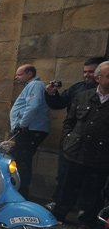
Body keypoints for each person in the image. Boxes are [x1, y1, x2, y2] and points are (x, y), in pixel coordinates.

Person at [52, 61, 109, 229]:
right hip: (75, 152)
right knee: (67, 186)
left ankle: (87, 222)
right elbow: (69, 121)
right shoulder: (82, 96)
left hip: (100, 156)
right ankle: (59, 213)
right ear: (98, 78)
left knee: (93, 191)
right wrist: (67, 141)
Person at [43, 57, 105, 209]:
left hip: (98, 151)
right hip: (73, 146)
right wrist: (51, 94)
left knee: (91, 185)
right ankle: (59, 206)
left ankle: (84, 213)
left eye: (91, 72)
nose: (87, 75)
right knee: (65, 178)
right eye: (85, 72)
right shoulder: (78, 89)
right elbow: (61, 107)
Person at [9, 64, 50, 198]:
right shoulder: (31, 85)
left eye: (19, 74)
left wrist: (22, 124)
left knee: (22, 162)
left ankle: (20, 192)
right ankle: (19, 190)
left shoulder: (35, 85)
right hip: (29, 129)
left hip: (29, 129)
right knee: (21, 160)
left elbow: (33, 107)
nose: (17, 77)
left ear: (29, 74)